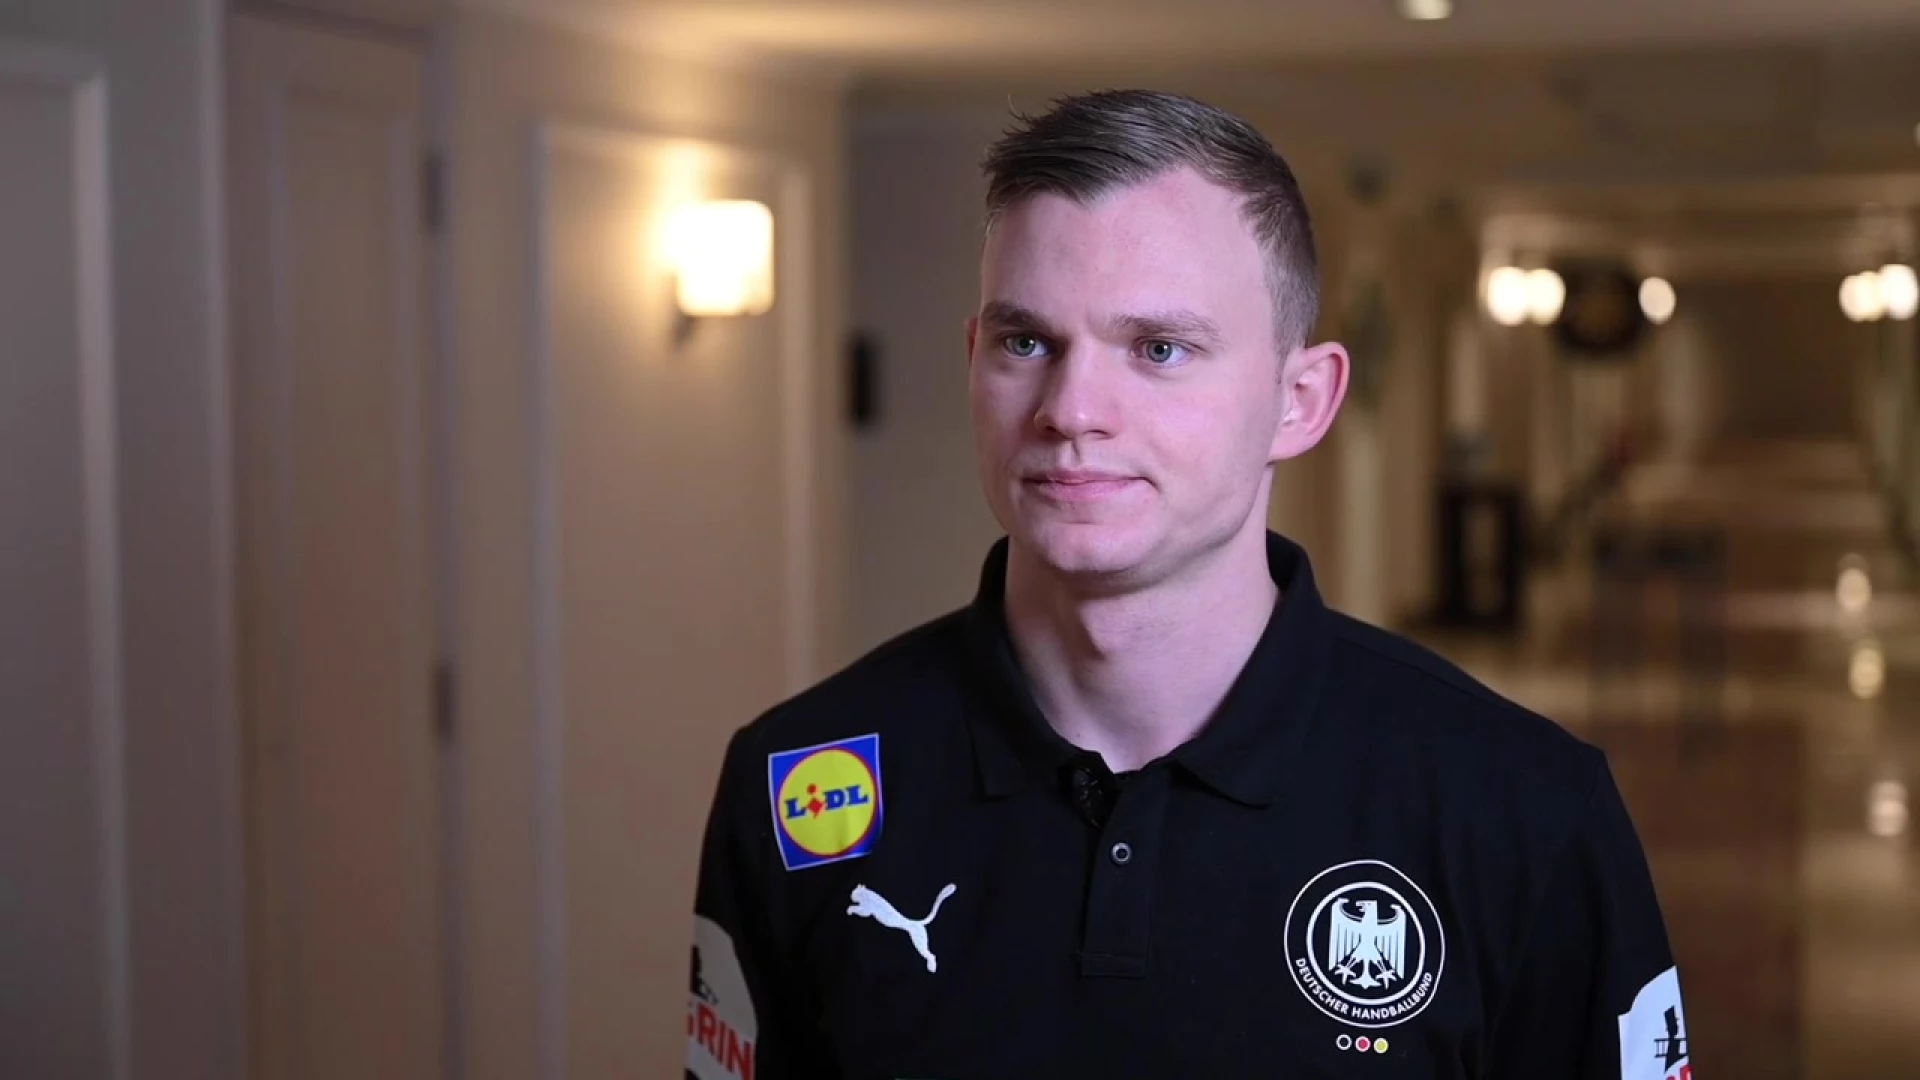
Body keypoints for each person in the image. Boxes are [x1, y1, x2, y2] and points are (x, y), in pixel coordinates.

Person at [685, 88, 1688, 1080]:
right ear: (973, 360)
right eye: (1026, 342)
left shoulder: (1523, 808)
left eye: (1159, 350)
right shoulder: (796, 784)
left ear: (1301, 401)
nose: (1072, 409)